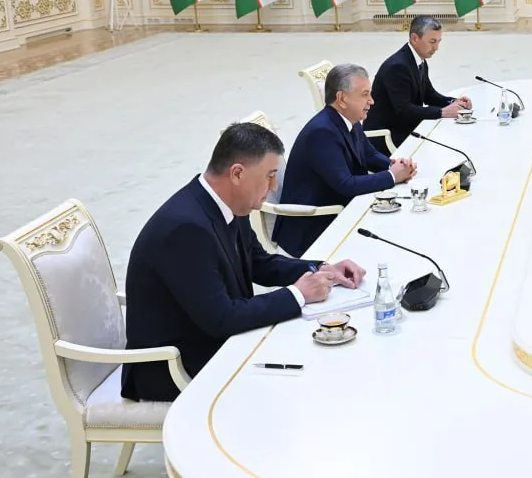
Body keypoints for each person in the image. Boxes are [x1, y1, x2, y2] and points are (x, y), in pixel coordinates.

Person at [122, 123, 366, 402]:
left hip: (213, 340)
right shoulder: (185, 229)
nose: (274, 186)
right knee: (304, 381)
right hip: (173, 367)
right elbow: (222, 319)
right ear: (237, 173)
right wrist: (298, 294)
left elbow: (259, 262)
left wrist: (321, 269)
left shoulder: (227, 203)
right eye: (270, 176)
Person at [273, 64, 418, 256]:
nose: (372, 101)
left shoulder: (349, 118)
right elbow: (346, 185)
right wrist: (392, 176)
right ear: (342, 98)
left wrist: (395, 165)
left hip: (341, 211)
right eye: (365, 95)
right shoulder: (322, 132)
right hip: (313, 230)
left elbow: (369, 154)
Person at [365, 16, 472, 153]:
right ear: (415, 38)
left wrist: (455, 102)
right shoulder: (397, 66)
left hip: (406, 127)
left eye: (438, 41)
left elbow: (429, 95)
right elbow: (404, 110)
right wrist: (442, 112)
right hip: (387, 136)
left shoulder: (419, 60)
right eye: (432, 42)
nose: (436, 48)